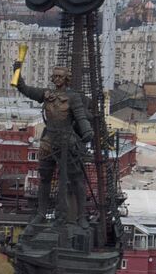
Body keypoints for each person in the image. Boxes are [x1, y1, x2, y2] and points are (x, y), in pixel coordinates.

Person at [13, 63, 95, 222]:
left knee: (76, 178)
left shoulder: (73, 97)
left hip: (67, 140)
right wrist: (17, 70)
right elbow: (23, 88)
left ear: (66, 79)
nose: (57, 79)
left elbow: (80, 116)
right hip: (48, 140)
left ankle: (81, 217)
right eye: (55, 76)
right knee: (44, 177)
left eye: (60, 76)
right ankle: (41, 214)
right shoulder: (45, 94)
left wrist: (87, 132)